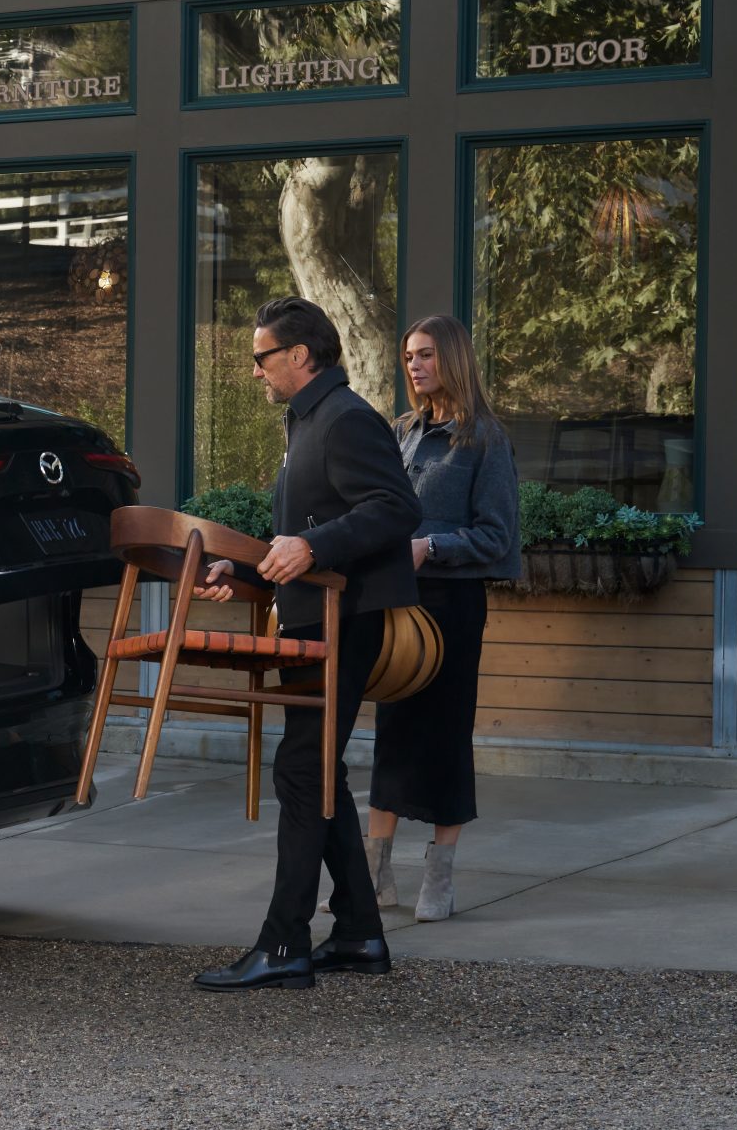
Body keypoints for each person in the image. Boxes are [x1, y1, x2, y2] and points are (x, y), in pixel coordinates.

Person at [191, 296, 421, 992]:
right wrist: (251, 568)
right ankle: (356, 933)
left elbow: (396, 508)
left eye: (262, 356)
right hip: (313, 619)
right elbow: (303, 539)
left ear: (299, 355)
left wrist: (314, 545)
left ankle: (285, 941)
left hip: (344, 621)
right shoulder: (310, 422)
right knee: (315, 771)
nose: (255, 371)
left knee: (302, 771)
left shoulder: (346, 418)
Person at [365, 316, 521, 923]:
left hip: (452, 606)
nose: (414, 365)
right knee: (392, 734)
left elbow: (499, 537)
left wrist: (431, 547)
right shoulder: (400, 432)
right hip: (396, 603)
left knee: (446, 737)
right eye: (407, 356)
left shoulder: (485, 438)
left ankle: (440, 874)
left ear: (453, 358)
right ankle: (377, 874)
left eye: (425, 354)